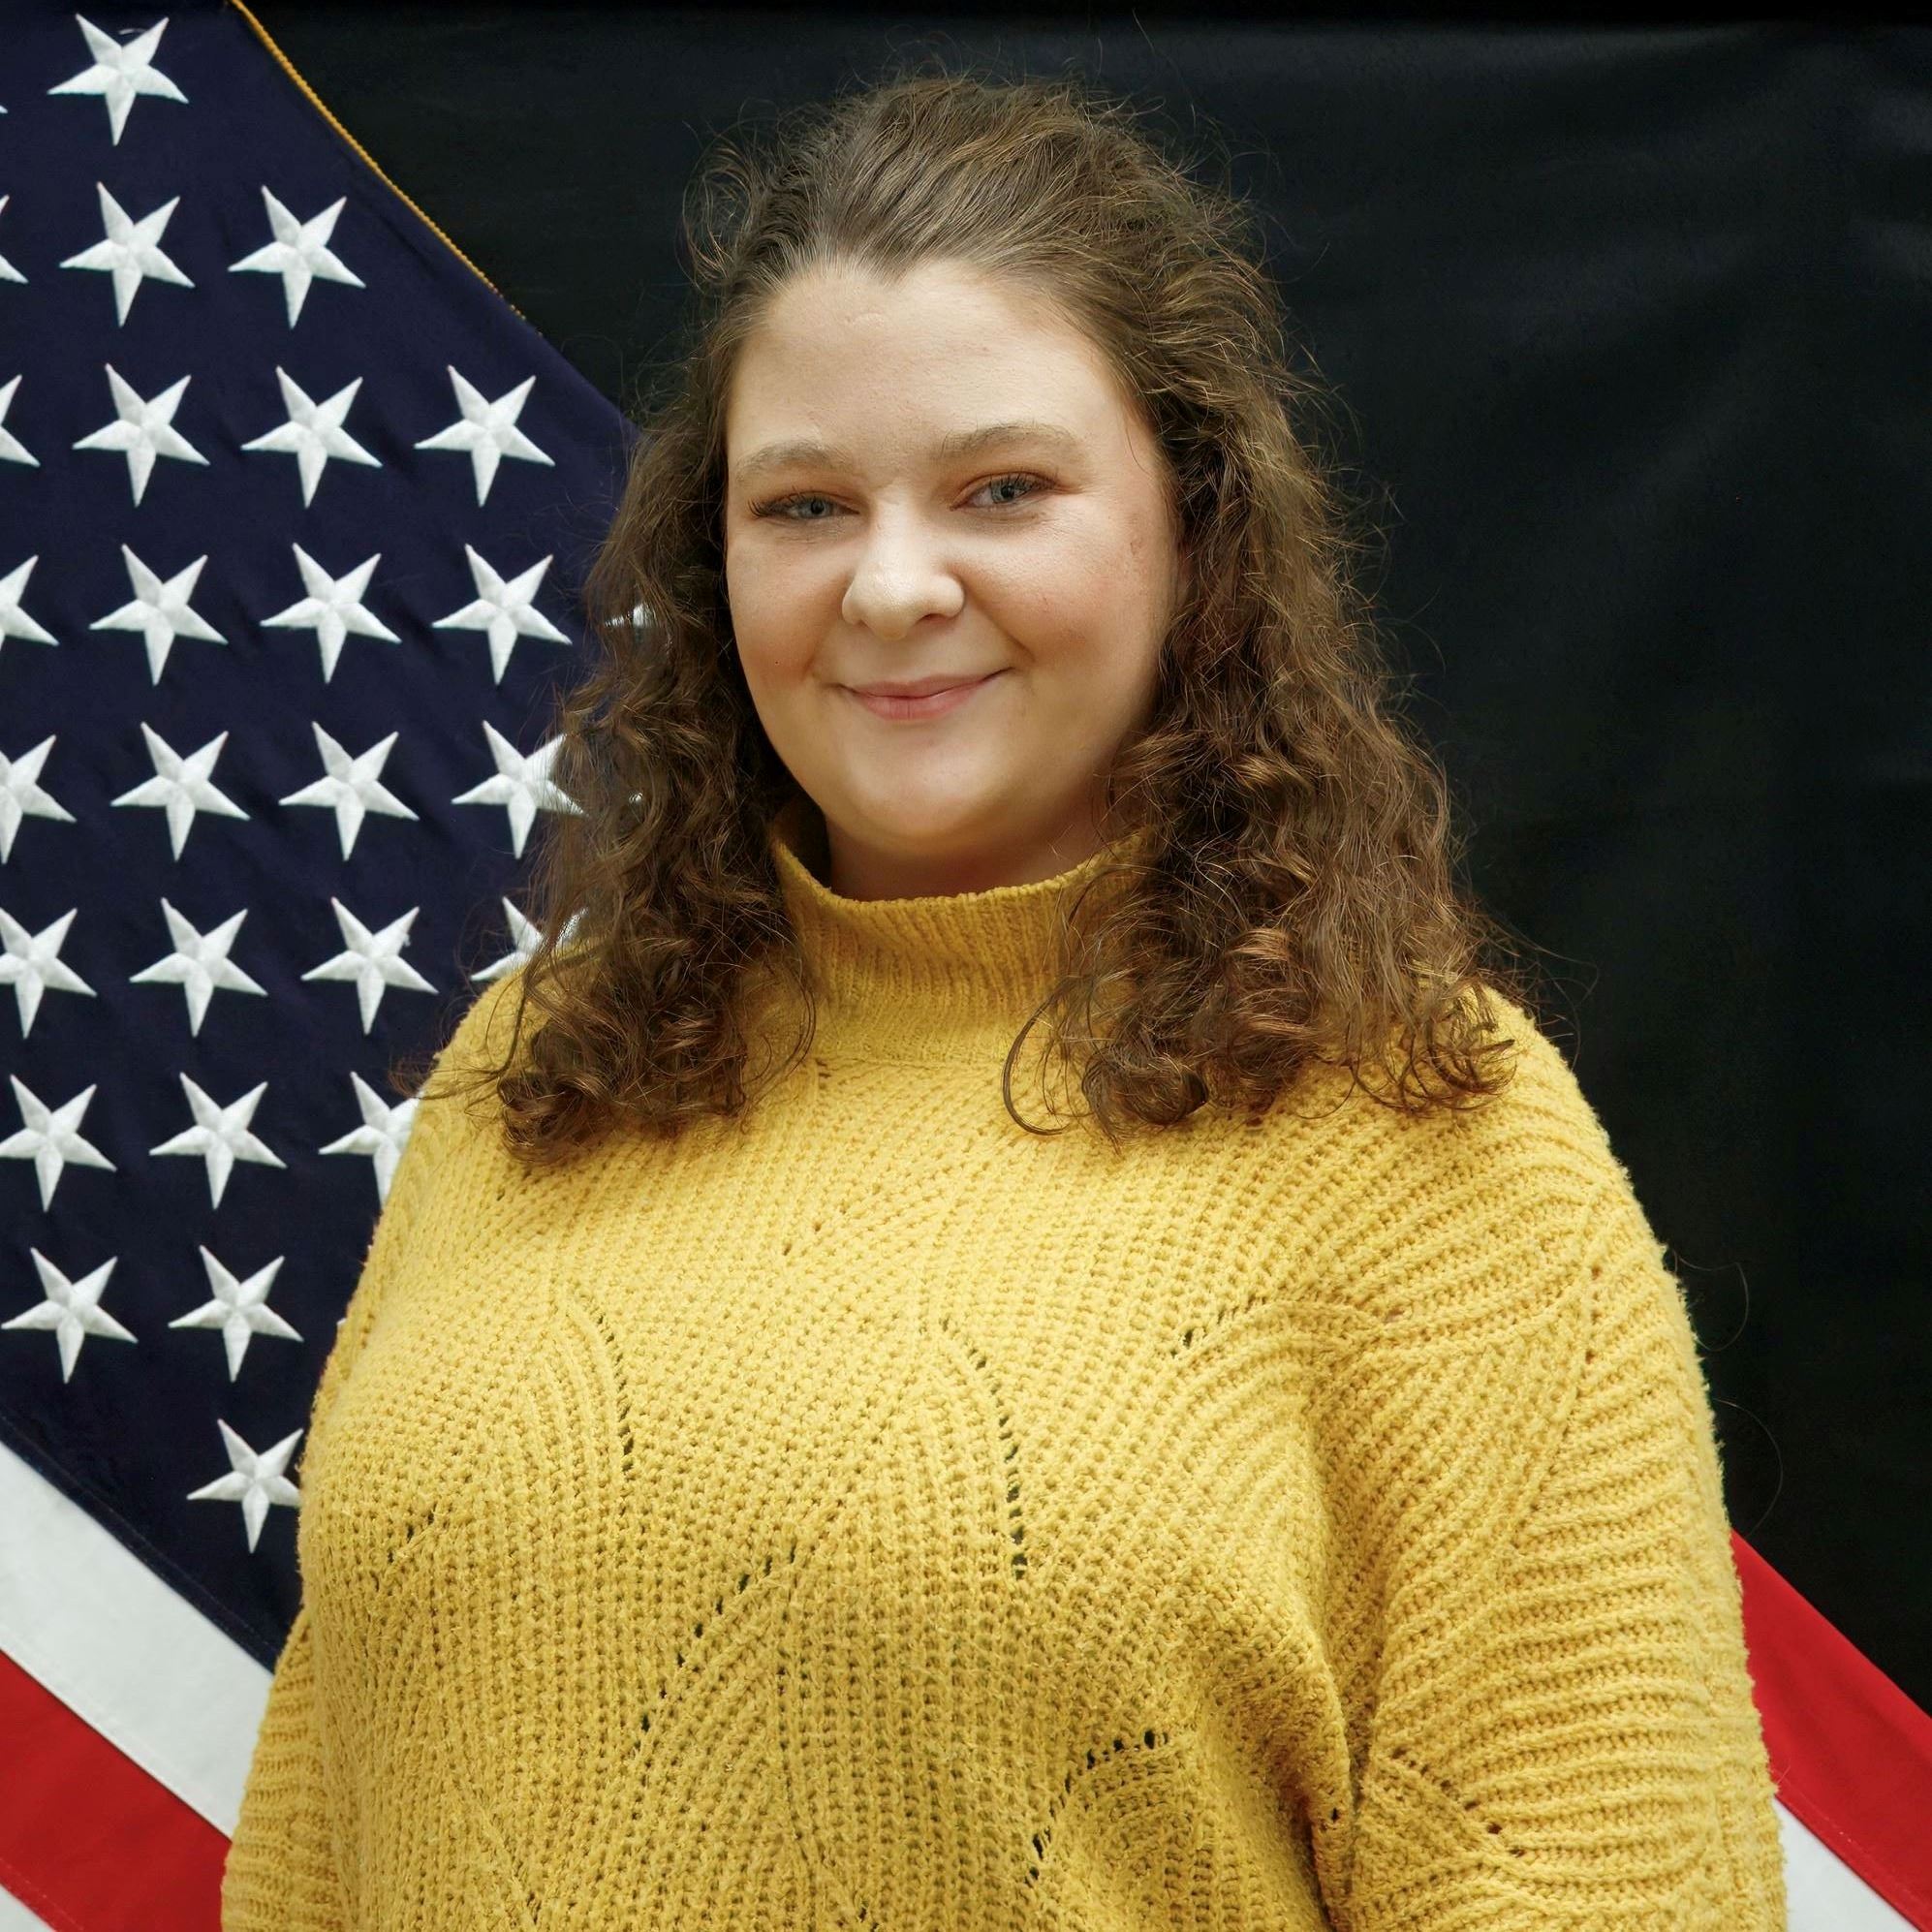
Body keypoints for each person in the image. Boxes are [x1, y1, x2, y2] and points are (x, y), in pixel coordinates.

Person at [222, 64, 1788, 1931]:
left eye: (1003, 489)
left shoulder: (1431, 1143)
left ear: (1192, 530)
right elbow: (319, 1846)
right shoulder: (538, 1079)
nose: (891, 585)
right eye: (803, 503)